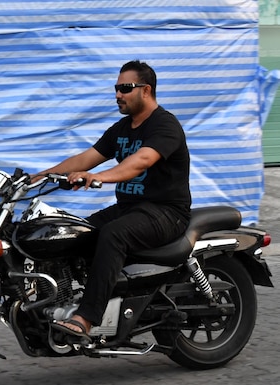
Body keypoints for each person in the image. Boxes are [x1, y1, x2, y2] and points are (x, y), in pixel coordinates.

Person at [34, 60, 191, 341]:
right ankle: (64, 300)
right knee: (72, 231)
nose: (118, 94)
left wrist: (98, 178)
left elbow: (139, 162)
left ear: (146, 90)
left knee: (112, 235)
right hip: (130, 209)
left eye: (125, 88)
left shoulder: (165, 125)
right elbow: (85, 158)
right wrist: (39, 176)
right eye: (116, 88)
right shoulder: (122, 128)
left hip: (166, 212)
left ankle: (86, 318)